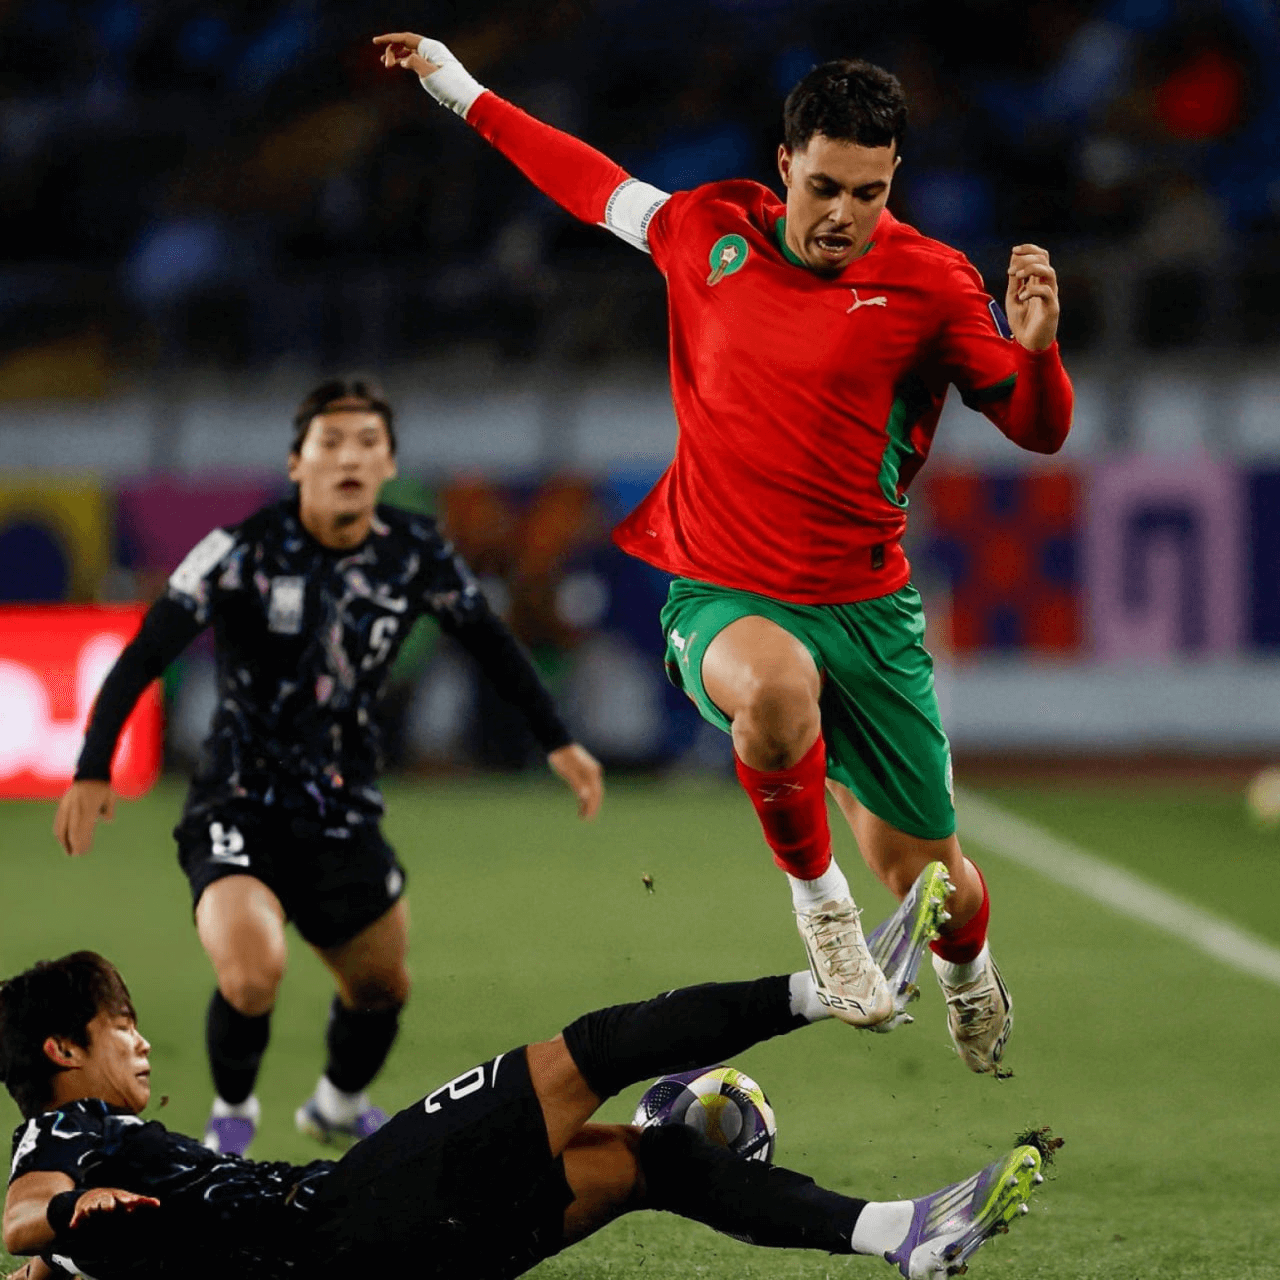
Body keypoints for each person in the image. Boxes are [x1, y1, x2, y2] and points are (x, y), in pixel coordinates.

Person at [373, 34, 1076, 1073]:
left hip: (868, 614)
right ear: (783, 163)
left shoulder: (929, 282)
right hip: (722, 591)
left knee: (935, 887)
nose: (843, 213)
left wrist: (1036, 349)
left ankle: (968, 977)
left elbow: (1037, 428)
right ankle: (820, 912)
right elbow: (586, 179)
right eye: (826, 185)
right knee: (775, 693)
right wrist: (457, 87)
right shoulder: (704, 231)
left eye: (870, 192)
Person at [52, 379, 605, 1156]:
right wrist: (91, 765)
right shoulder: (239, 551)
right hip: (237, 800)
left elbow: (491, 643)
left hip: (343, 807)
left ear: (387, 466)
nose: (349, 457)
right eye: (331, 443)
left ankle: (336, 1104)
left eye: (367, 445)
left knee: (383, 989)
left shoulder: (415, 553)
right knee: (252, 973)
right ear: (295, 463)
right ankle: (231, 1121)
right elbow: (145, 652)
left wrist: (559, 741)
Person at [0, 948, 1049, 1280]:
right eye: (118, 1024)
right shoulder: (61, 1136)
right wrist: (59, 1220)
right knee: (583, 1052)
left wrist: (65, 1246)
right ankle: (836, 983)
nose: (140, 1040)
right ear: (63, 1051)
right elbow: (22, 1208)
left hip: (386, 1248)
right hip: (338, 1218)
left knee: (656, 1161)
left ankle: (898, 1232)